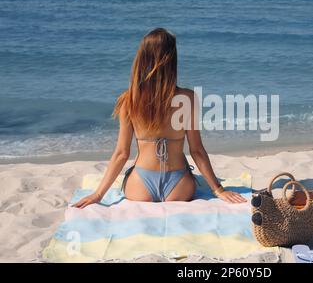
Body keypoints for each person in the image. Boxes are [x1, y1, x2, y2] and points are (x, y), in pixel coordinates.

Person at [73, 28, 246, 208]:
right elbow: (197, 150)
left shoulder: (129, 100)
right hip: (179, 185)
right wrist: (218, 190)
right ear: (172, 60)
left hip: (140, 184)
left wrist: (98, 194)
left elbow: (121, 154)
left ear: (142, 59)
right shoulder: (187, 98)